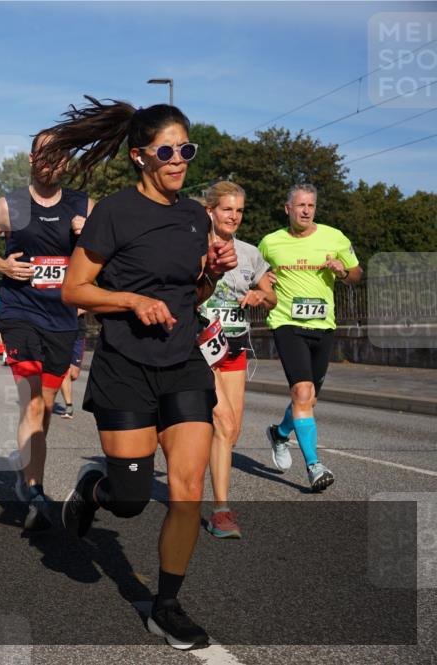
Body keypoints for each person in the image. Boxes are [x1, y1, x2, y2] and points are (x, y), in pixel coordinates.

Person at [54, 99, 237, 650]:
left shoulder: (194, 217)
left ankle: (167, 605)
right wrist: (132, 300)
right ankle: (96, 490)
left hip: (182, 363)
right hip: (126, 366)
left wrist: (213, 275)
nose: (179, 159)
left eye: (187, 148)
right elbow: (73, 290)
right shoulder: (115, 212)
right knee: (131, 497)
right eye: (167, 150)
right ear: (140, 157)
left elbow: (191, 293)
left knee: (185, 489)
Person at [0, 130, 93, 530]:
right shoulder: (11, 205)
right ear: (31, 158)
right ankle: (35, 488)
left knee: (46, 405)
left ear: (68, 162)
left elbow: (109, 256)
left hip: (63, 317)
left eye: (60, 155)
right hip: (20, 312)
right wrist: (3, 266)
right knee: (34, 402)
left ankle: (29, 472)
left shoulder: (83, 206)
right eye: (45, 154)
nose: (51, 162)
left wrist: (86, 236)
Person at [259, 183, 361, 492]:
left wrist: (342, 271)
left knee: (309, 398)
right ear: (287, 208)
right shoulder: (270, 243)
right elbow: (254, 272)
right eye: (300, 205)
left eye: (311, 206)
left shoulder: (334, 237)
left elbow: (356, 274)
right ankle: (315, 466)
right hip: (286, 323)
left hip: (323, 325)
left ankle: (279, 433)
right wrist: (263, 279)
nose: (306, 210)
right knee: (302, 392)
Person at [200, 181, 276, 538]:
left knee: (231, 432)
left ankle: (196, 465)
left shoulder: (249, 253)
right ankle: (221, 512)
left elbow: (272, 295)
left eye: (239, 210)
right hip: (199, 347)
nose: (234, 216)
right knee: (224, 422)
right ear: (210, 211)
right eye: (227, 209)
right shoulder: (193, 246)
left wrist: (261, 297)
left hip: (233, 348)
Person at [56, 309, 88, 420]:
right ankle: (69, 406)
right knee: (66, 370)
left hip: (78, 333)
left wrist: (76, 311)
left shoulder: (80, 291)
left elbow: (88, 305)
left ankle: (55, 384)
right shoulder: (56, 291)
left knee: (73, 374)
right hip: (61, 332)